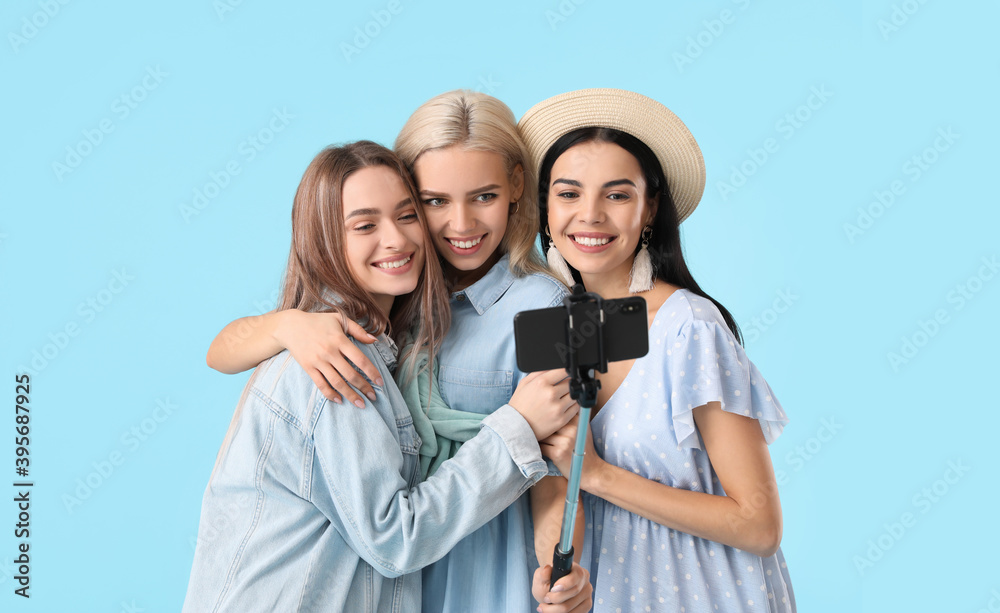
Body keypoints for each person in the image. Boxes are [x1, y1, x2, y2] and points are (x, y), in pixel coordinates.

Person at [202, 91, 591, 613]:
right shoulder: (359, 337)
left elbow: (558, 467)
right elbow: (218, 351)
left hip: (477, 574)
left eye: (483, 196)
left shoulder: (540, 305)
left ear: (516, 186)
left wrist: (557, 568)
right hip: (398, 567)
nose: (460, 224)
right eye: (433, 203)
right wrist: (288, 325)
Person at [518, 88, 797, 612]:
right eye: (568, 193)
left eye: (617, 195)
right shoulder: (549, 329)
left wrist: (600, 475)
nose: (591, 215)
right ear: (545, 208)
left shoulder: (689, 329)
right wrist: (558, 571)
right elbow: (555, 487)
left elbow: (759, 526)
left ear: (649, 211)